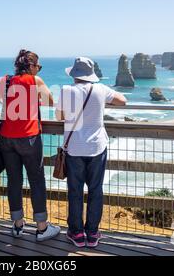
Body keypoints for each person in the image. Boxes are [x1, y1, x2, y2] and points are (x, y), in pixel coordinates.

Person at [55, 57, 127, 248]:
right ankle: (93, 233)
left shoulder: (66, 91)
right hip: (97, 147)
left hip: (75, 148)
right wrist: (102, 104)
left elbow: (60, 116)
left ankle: (77, 233)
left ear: (74, 74)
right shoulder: (101, 89)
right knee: (95, 190)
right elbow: (123, 101)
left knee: (75, 191)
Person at [0, 49, 61, 242]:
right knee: (36, 181)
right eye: (38, 66)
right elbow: (51, 101)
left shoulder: (5, 81)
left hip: (6, 138)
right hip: (29, 138)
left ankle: (18, 225)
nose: (38, 70)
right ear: (30, 66)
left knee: (14, 180)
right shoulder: (35, 81)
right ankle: (41, 228)